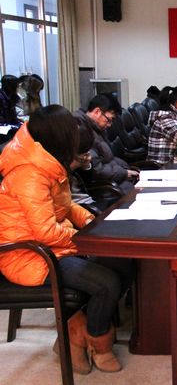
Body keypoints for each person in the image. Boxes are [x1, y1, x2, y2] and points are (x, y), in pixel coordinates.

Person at [0, 105, 133, 375]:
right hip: (31, 255)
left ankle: (75, 329)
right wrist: (87, 239)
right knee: (106, 283)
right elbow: (45, 232)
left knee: (124, 263)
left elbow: (66, 206)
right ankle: (97, 341)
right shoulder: (30, 174)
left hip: (52, 246)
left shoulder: (47, 162)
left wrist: (91, 222)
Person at [74, 94, 138, 195]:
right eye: (109, 120)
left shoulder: (96, 129)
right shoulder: (81, 130)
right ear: (97, 112)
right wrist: (124, 173)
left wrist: (125, 169)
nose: (109, 125)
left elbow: (109, 159)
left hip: (111, 179)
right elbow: (96, 170)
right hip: (101, 186)